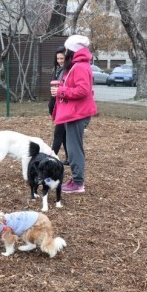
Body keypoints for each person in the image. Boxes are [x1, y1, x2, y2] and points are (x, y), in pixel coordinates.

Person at [50, 35, 97, 193]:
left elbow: (83, 90)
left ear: (73, 50)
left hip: (78, 113)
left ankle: (78, 183)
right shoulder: (77, 65)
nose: (65, 51)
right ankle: (76, 179)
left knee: (74, 148)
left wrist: (61, 90)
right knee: (73, 147)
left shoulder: (80, 67)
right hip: (74, 112)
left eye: (67, 48)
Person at [48, 46, 68, 162]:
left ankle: (50, 159)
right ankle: (69, 158)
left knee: (58, 134)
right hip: (57, 105)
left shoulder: (68, 71)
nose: (60, 61)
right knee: (63, 134)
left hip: (64, 106)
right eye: (58, 58)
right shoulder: (56, 70)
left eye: (62, 58)